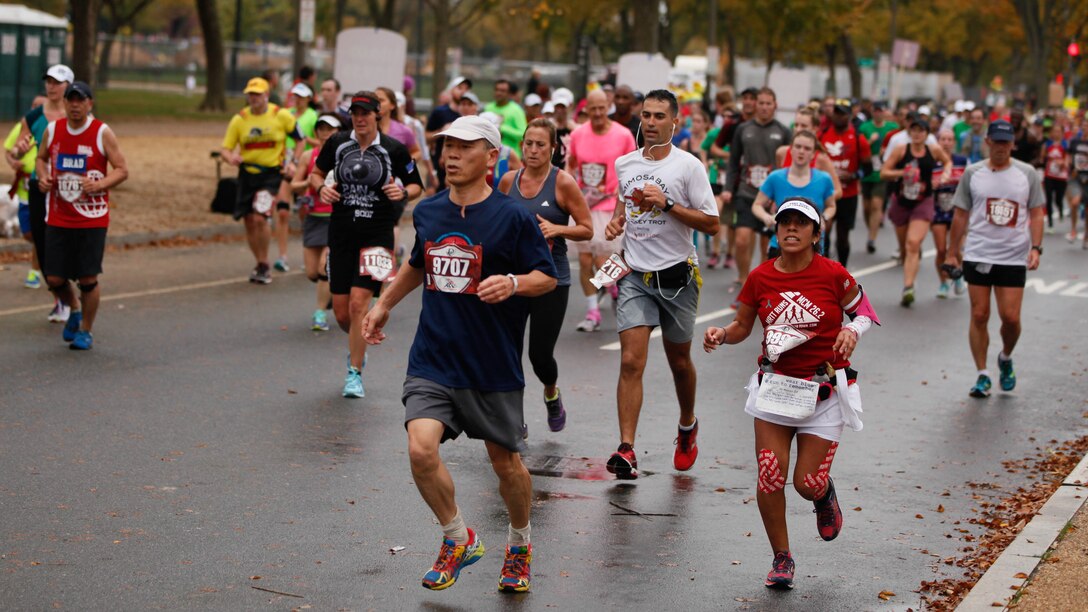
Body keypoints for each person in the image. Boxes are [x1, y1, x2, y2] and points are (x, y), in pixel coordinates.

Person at [361, 115, 557, 593]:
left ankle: (519, 543)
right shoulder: (428, 211)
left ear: (491, 157)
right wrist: (383, 304)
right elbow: (416, 263)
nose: (450, 155)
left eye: (464, 147)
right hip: (435, 357)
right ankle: (458, 538)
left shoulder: (513, 217)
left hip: (492, 365)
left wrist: (513, 282)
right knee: (420, 448)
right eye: (447, 146)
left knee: (506, 466)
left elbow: (546, 277)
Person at [703, 197, 875, 590]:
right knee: (769, 474)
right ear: (776, 231)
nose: (791, 229)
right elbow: (743, 325)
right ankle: (781, 557)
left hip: (822, 392)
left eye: (801, 224)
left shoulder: (833, 275)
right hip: (776, 389)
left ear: (817, 234)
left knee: (805, 483)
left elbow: (864, 311)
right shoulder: (761, 277)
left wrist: (852, 330)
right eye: (785, 223)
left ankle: (824, 493)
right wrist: (722, 335)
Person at [603, 89, 720, 479]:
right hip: (636, 275)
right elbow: (625, 204)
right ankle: (626, 449)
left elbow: (711, 223)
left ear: (675, 122)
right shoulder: (625, 163)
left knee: (680, 363)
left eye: (658, 116)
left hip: (677, 277)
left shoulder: (689, 167)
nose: (650, 122)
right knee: (631, 360)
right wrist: (618, 220)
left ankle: (687, 425)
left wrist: (667, 205)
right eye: (646, 115)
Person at [309, 91, 423, 398]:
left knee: (361, 304)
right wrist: (322, 189)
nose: (359, 119)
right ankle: (357, 345)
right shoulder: (337, 143)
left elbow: (417, 183)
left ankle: (354, 372)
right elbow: (316, 174)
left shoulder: (394, 149)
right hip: (342, 233)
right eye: (354, 113)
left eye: (365, 113)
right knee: (344, 314)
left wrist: (404, 193)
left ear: (377, 116)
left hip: (377, 235)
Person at [498, 118, 592, 433]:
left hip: (552, 279)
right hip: (512, 279)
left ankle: (551, 391)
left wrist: (557, 228)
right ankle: (514, 420)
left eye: (541, 144)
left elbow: (586, 228)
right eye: (528, 143)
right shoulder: (508, 181)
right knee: (507, 352)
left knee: (539, 355)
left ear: (553, 148)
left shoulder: (562, 182)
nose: (533, 150)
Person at [944, 120, 1045, 398]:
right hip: (978, 252)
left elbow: (1037, 212)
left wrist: (1036, 248)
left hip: (1013, 256)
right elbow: (961, 214)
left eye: (1006, 142)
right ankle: (982, 374)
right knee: (979, 314)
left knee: (1010, 318)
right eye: (996, 141)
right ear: (987, 142)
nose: (1001, 147)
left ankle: (1005, 356)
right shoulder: (973, 173)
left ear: (1013, 144)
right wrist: (953, 252)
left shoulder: (1027, 173)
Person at [35, 81, 129, 350]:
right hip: (58, 216)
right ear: (64, 103)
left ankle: (85, 330)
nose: (75, 105)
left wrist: (99, 185)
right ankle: (74, 309)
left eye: (81, 100)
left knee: (87, 278)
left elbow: (122, 169)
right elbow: (41, 159)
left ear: (90, 104)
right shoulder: (53, 130)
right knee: (54, 278)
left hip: (92, 218)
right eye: (71, 100)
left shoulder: (102, 132)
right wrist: (43, 177)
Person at [566, 89, 637, 332]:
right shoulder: (578, 134)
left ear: (608, 108)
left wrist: (624, 198)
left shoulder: (623, 135)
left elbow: (632, 168)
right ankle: (592, 312)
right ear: (586, 110)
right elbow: (572, 164)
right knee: (586, 260)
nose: (596, 114)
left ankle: (611, 285)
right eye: (592, 109)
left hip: (610, 205)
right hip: (585, 204)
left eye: (601, 108)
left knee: (604, 260)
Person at [9, 64, 74, 322]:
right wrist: (19, 151)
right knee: (43, 243)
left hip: (68, 189)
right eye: (48, 81)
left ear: (68, 86)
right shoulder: (35, 116)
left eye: (57, 82)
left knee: (65, 243)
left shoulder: (76, 115)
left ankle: (73, 295)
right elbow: (16, 150)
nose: (51, 86)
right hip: (39, 186)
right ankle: (60, 299)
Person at [220, 77, 296, 284]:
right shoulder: (240, 119)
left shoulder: (279, 115)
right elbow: (225, 149)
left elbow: (300, 138)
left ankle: (264, 264)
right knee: (249, 220)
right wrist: (230, 158)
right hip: (247, 174)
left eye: (258, 94)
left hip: (271, 175)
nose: (254, 98)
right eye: (250, 94)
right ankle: (261, 262)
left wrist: (292, 162)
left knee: (261, 216)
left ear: (266, 95)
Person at [722, 87, 792, 295]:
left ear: (775, 106)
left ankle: (763, 280)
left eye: (768, 103)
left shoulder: (783, 131)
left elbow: (788, 164)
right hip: (747, 191)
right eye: (760, 103)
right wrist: (728, 189)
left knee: (766, 245)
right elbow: (734, 161)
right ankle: (744, 280)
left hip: (771, 197)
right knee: (742, 240)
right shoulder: (743, 129)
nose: (763, 107)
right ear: (755, 105)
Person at [881, 115, 953, 306]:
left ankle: (908, 287)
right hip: (902, 202)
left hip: (924, 201)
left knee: (913, 243)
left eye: (921, 130)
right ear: (909, 132)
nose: (917, 134)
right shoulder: (900, 150)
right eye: (913, 130)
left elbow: (947, 162)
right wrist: (901, 173)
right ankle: (910, 275)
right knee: (906, 247)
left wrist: (943, 176)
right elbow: (884, 172)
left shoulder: (933, 150)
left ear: (927, 134)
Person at [289, 113, 341, 331]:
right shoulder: (309, 156)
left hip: (336, 219)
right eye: (322, 129)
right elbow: (294, 184)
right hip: (313, 217)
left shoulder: (345, 157)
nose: (326, 133)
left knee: (323, 266)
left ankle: (320, 313)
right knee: (312, 272)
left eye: (330, 129)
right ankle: (332, 291)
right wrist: (309, 182)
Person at [753, 131, 837, 258]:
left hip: (812, 247)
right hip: (780, 246)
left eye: (807, 148)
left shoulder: (824, 179)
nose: (801, 151)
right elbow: (757, 205)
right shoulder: (775, 177)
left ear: (814, 154)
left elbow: (831, 206)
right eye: (797, 147)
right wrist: (766, 217)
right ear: (791, 150)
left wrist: (823, 218)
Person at [818, 99, 871, 267]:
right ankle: (823, 269)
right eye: (836, 113)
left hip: (848, 194)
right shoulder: (822, 135)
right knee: (823, 232)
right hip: (826, 193)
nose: (839, 117)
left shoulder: (858, 139)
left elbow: (868, 168)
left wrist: (854, 175)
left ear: (849, 116)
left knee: (842, 237)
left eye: (842, 113)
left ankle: (842, 270)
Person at [4, 96, 46, 289]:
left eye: (41, 106)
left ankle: (35, 272)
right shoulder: (24, 125)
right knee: (28, 233)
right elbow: (9, 150)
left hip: (43, 189)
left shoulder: (50, 127)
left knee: (39, 234)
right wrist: (14, 161)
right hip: (24, 190)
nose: (36, 109)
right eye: (34, 106)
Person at [931, 129, 969, 299]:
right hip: (938, 209)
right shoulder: (932, 162)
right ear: (938, 142)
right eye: (943, 139)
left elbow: (970, 186)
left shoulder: (961, 161)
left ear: (954, 142)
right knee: (941, 250)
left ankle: (958, 275)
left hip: (958, 211)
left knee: (956, 249)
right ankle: (944, 282)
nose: (946, 142)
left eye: (949, 139)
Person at [858, 102, 899, 254]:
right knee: (867, 207)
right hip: (868, 170)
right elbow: (860, 147)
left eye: (880, 110)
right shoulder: (865, 127)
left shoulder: (891, 129)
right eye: (875, 111)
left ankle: (872, 238)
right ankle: (871, 229)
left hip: (882, 171)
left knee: (876, 205)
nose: (878, 113)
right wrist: (870, 142)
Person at [484, 79, 528, 152]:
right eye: (497, 90)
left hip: (510, 158)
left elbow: (523, 135)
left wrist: (502, 128)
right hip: (489, 156)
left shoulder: (516, 110)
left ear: (509, 93)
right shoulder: (488, 108)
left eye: (502, 91)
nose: (499, 93)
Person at [1041, 122, 1069, 233]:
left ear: (1062, 133)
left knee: (1058, 198)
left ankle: (1061, 208)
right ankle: (1050, 223)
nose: (1056, 133)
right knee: (1048, 198)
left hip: (1061, 176)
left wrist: (1063, 163)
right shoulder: (1047, 144)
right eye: (1054, 131)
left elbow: (1068, 159)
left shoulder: (1065, 145)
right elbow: (1042, 157)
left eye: (1058, 131)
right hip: (1049, 175)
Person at [1067, 129, 1088, 248]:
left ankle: (1086, 235)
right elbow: (1069, 156)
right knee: (1074, 202)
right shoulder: (1075, 141)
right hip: (1076, 176)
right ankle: (1073, 229)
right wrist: (1070, 167)